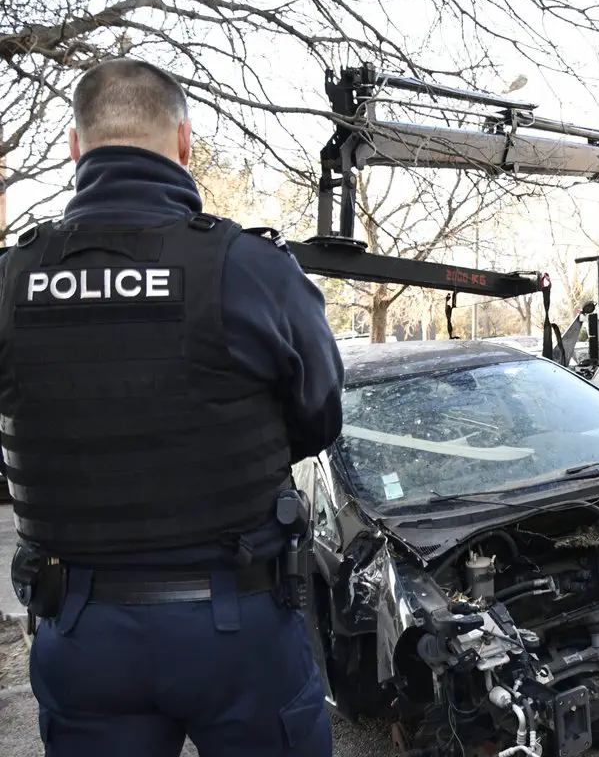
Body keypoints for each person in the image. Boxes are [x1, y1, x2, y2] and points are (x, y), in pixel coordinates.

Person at [0, 59, 344, 756]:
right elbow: (320, 416)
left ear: (75, 147)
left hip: (81, 626)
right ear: (185, 143)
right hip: (237, 625)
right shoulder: (250, 267)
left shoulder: (10, 279)